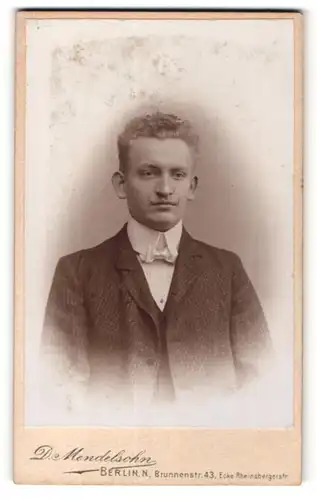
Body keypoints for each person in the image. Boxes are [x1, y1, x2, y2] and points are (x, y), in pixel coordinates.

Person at [41, 111, 272, 414]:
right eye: (149, 173)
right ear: (121, 184)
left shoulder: (227, 269)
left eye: (177, 175)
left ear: (192, 186)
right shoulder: (77, 271)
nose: (165, 189)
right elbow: (61, 388)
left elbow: (262, 381)